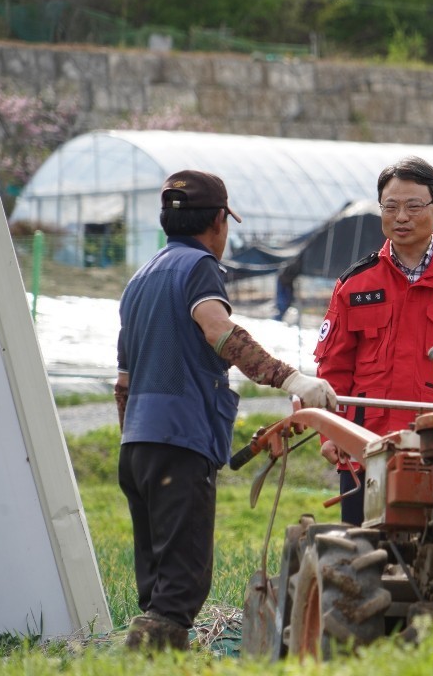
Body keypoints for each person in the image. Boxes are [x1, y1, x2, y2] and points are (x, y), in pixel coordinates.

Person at [115, 169, 337, 651]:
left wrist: (132, 441)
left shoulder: (139, 280)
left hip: (137, 448)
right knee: (179, 589)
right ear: (218, 221)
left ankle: (154, 657)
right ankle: (152, 661)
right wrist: (290, 378)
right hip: (179, 442)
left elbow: (123, 381)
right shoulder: (198, 267)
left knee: (156, 587)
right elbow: (217, 331)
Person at [314, 155, 433, 525]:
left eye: (413, 206)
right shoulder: (355, 284)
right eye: (391, 206)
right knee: (361, 560)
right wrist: (330, 431)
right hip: (364, 448)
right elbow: (333, 368)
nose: (401, 216)